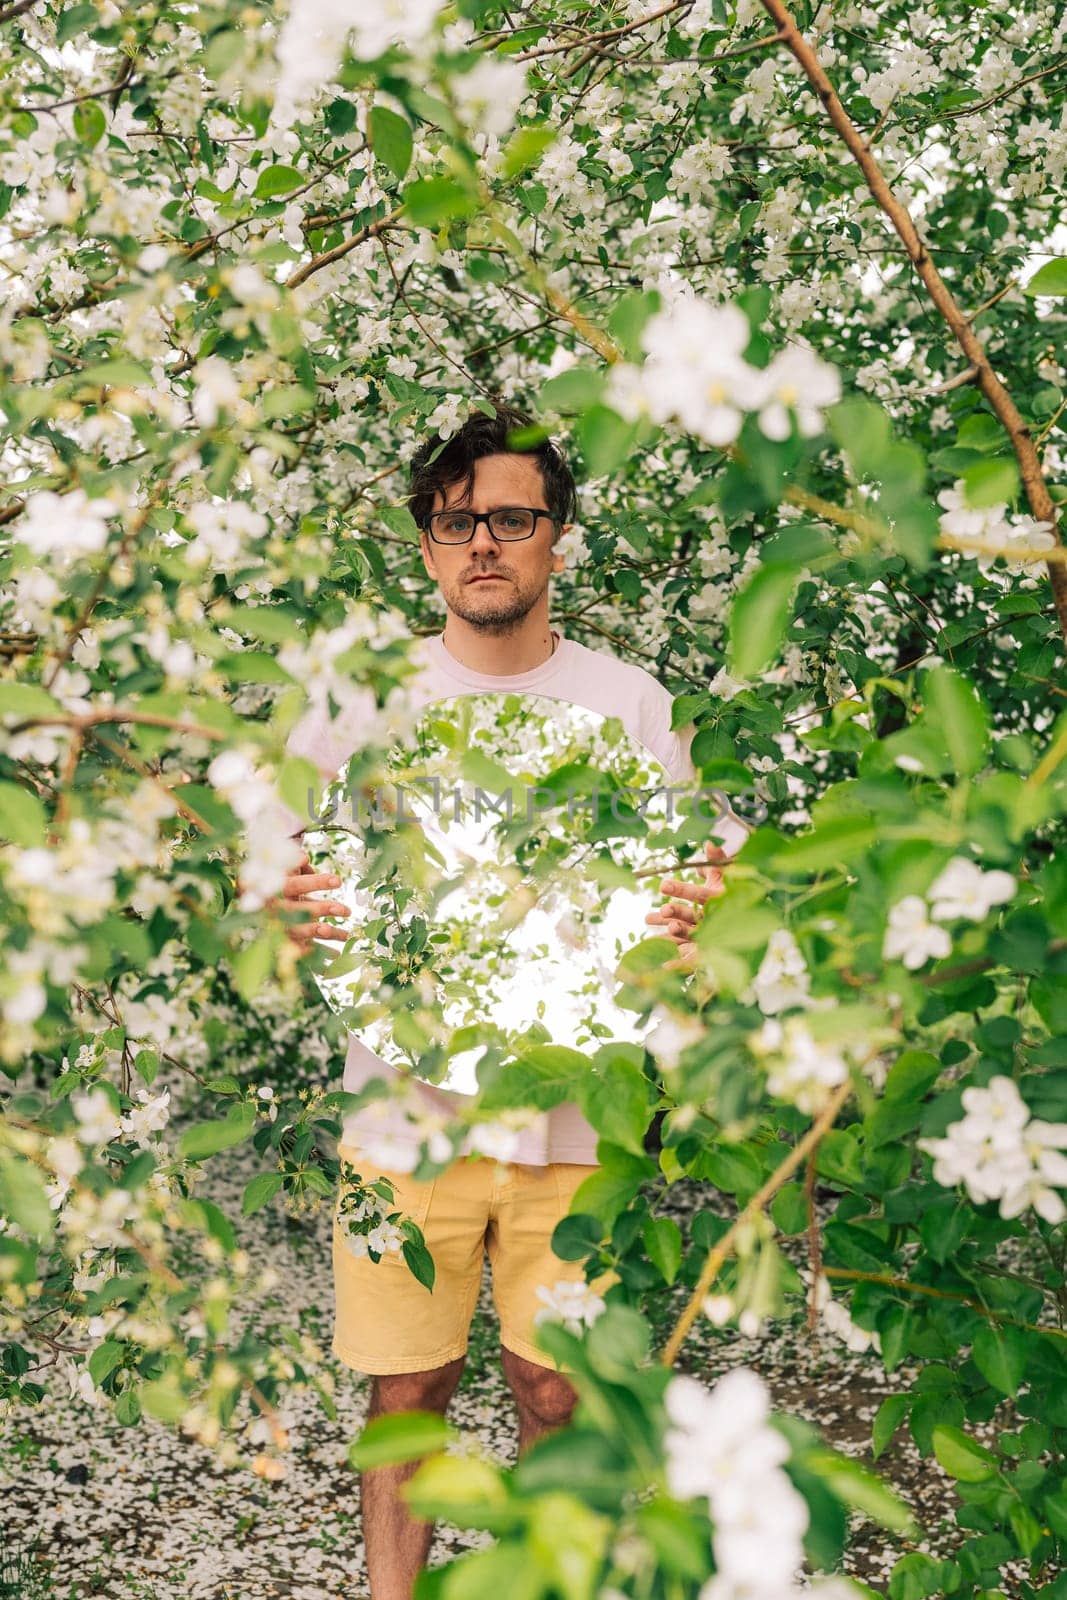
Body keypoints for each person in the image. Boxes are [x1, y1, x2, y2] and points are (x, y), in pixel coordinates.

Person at [265, 401, 725, 1600]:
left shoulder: (630, 705)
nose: (481, 542)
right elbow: (272, 843)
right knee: (405, 1392)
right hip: (399, 1122)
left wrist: (698, 906)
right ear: (425, 543)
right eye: (454, 521)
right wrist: (281, 892)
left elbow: (704, 866)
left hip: (577, 1121)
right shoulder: (362, 702)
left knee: (556, 1384)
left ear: (556, 537)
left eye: (509, 518)